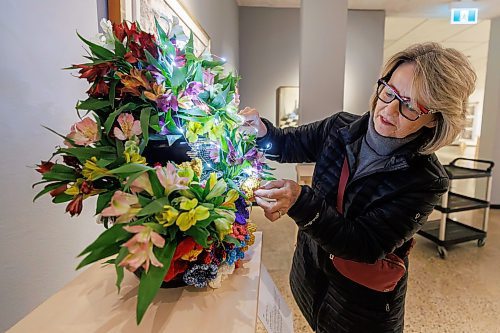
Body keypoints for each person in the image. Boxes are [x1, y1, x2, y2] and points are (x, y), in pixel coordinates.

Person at [239, 42, 476, 332]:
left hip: (360, 305)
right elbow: (288, 143)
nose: (388, 109)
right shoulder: (339, 127)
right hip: (311, 274)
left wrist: (301, 203)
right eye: (389, 91)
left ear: (434, 120)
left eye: (411, 106)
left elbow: (365, 245)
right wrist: (261, 132)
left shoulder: (426, 181)